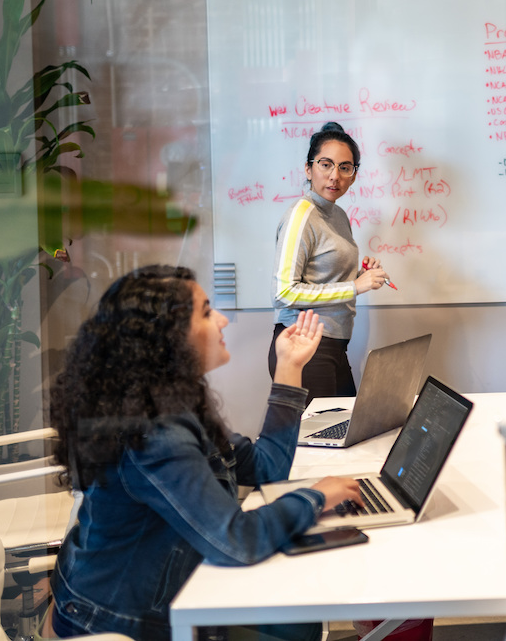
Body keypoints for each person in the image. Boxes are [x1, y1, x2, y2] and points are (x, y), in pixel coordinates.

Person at [49, 265, 363, 641]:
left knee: (300, 620)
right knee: (295, 626)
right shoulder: (156, 434)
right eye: (207, 311)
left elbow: (266, 469)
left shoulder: (175, 403)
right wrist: (315, 497)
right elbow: (237, 541)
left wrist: (290, 366)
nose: (223, 320)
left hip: (161, 592)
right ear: (168, 338)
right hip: (114, 621)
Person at [269, 121, 390, 398]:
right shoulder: (301, 215)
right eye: (326, 165)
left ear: (354, 175)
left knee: (348, 424)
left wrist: (359, 276)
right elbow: (283, 292)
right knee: (323, 428)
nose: (335, 176)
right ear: (308, 169)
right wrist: (354, 287)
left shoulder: (338, 215)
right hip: (303, 344)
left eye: (345, 167)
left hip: (333, 345)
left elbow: (325, 278)